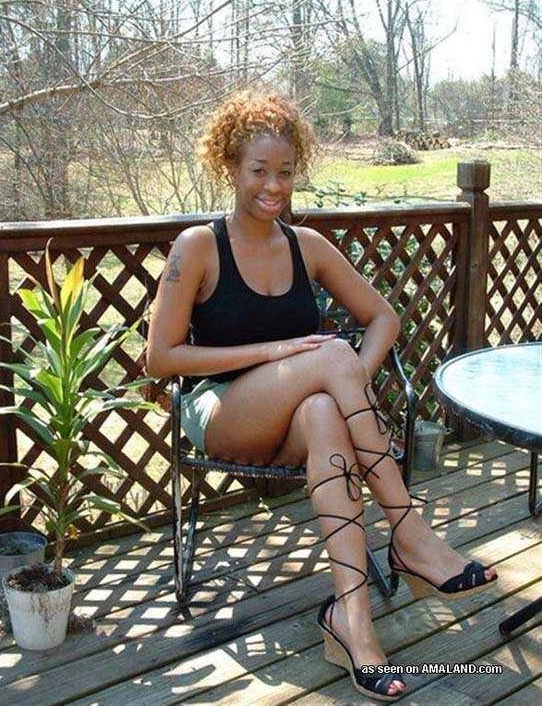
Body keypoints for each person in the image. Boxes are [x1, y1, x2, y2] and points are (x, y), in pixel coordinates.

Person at [146, 91, 498, 701]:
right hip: (220, 411)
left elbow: (383, 317)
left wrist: (344, 381)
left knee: (323, 408)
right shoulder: (198, 246)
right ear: (230, 167)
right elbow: (161, 358)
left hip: (296, 422)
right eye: (259, 170)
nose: (273, 186)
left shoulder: (306, 246)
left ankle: (351, 619)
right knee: (331, 357)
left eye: (285, 172)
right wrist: (277, 352)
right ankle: (409, 532)